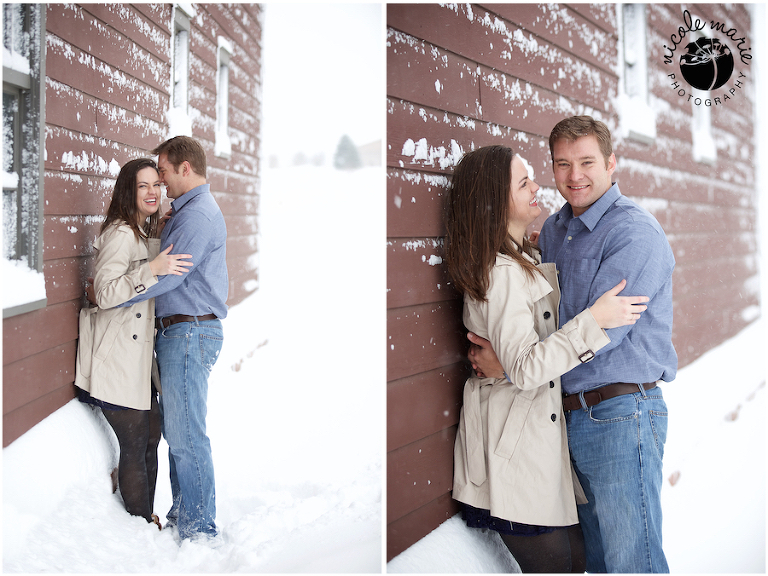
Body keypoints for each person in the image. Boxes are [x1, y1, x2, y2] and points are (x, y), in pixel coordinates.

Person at [468, 116, 677, 573]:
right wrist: (515, 360)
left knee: (633, 562)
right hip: (566, 417)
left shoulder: (633, 233)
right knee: (601, 563)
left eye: (586, 162)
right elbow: (544, 322)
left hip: (622, 415)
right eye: (562, 164)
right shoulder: (556, 231)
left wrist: (512, 364)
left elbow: (605, 331)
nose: (574, 175)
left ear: (611, 162)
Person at [115, 136, 228, 541]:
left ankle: (199, 531)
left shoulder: (197, 216)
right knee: (180, 433)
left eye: (162, 172)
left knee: (186, 435)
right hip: (182, 330)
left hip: (188, 329)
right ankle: (185, 516)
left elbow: (169, 274)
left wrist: (116, 296)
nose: (159, 182)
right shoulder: (186, 212)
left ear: (185, 168)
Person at [75, 157, 192, 529]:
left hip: (138, 360)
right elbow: (105, 292)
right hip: (116, 359)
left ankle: (145, 516)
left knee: (151, 434)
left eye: (156, 185)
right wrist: (152, 270)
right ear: (128, 190)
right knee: (136, 440)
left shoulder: (140, 233)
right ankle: (139, 523)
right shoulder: (120, 234)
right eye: (143, 186)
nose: (153, 192)